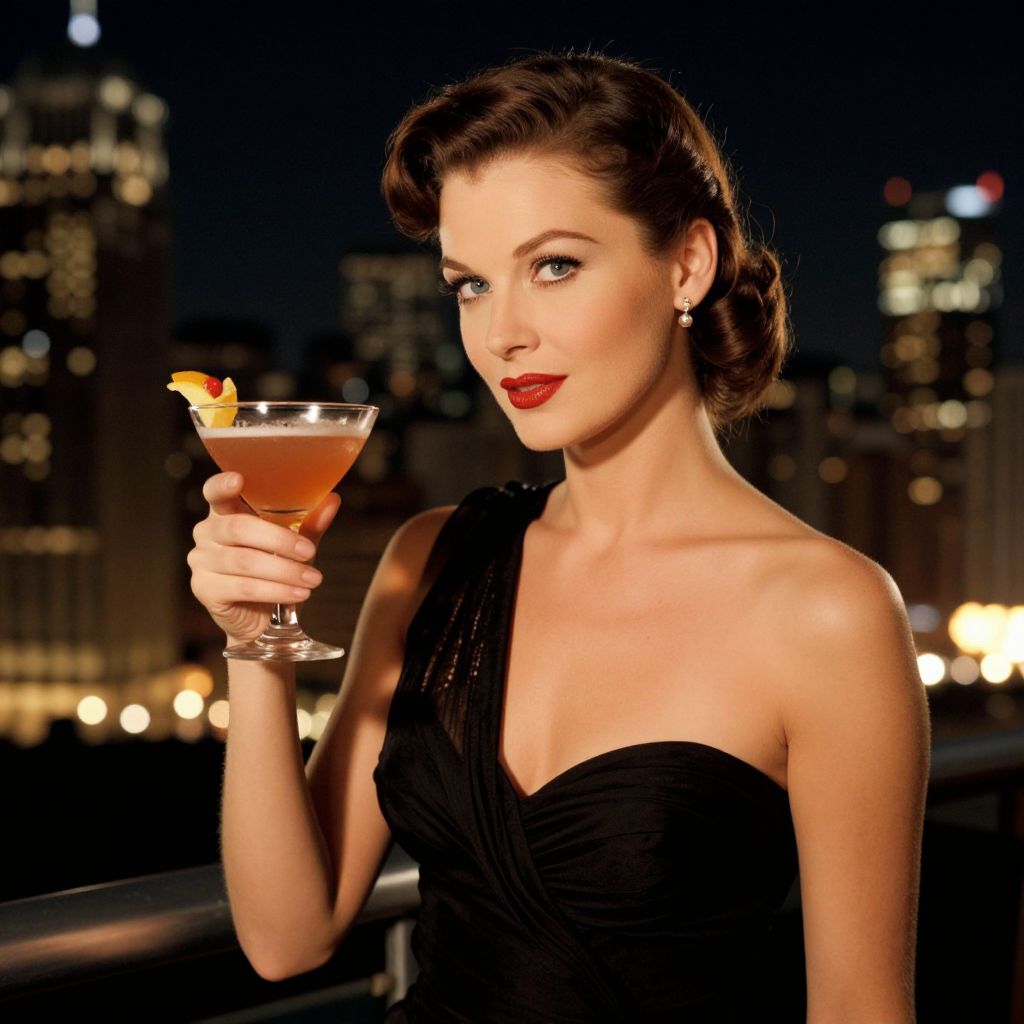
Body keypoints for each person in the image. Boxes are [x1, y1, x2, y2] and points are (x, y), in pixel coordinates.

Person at [188, 51, 931, 1022]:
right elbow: (288, 937)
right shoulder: (432, 558)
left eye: (553, 265)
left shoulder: (826, 611)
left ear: (686, 263)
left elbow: (861, 1008)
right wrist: (255, 640)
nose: (502, 334)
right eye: (469, 285)